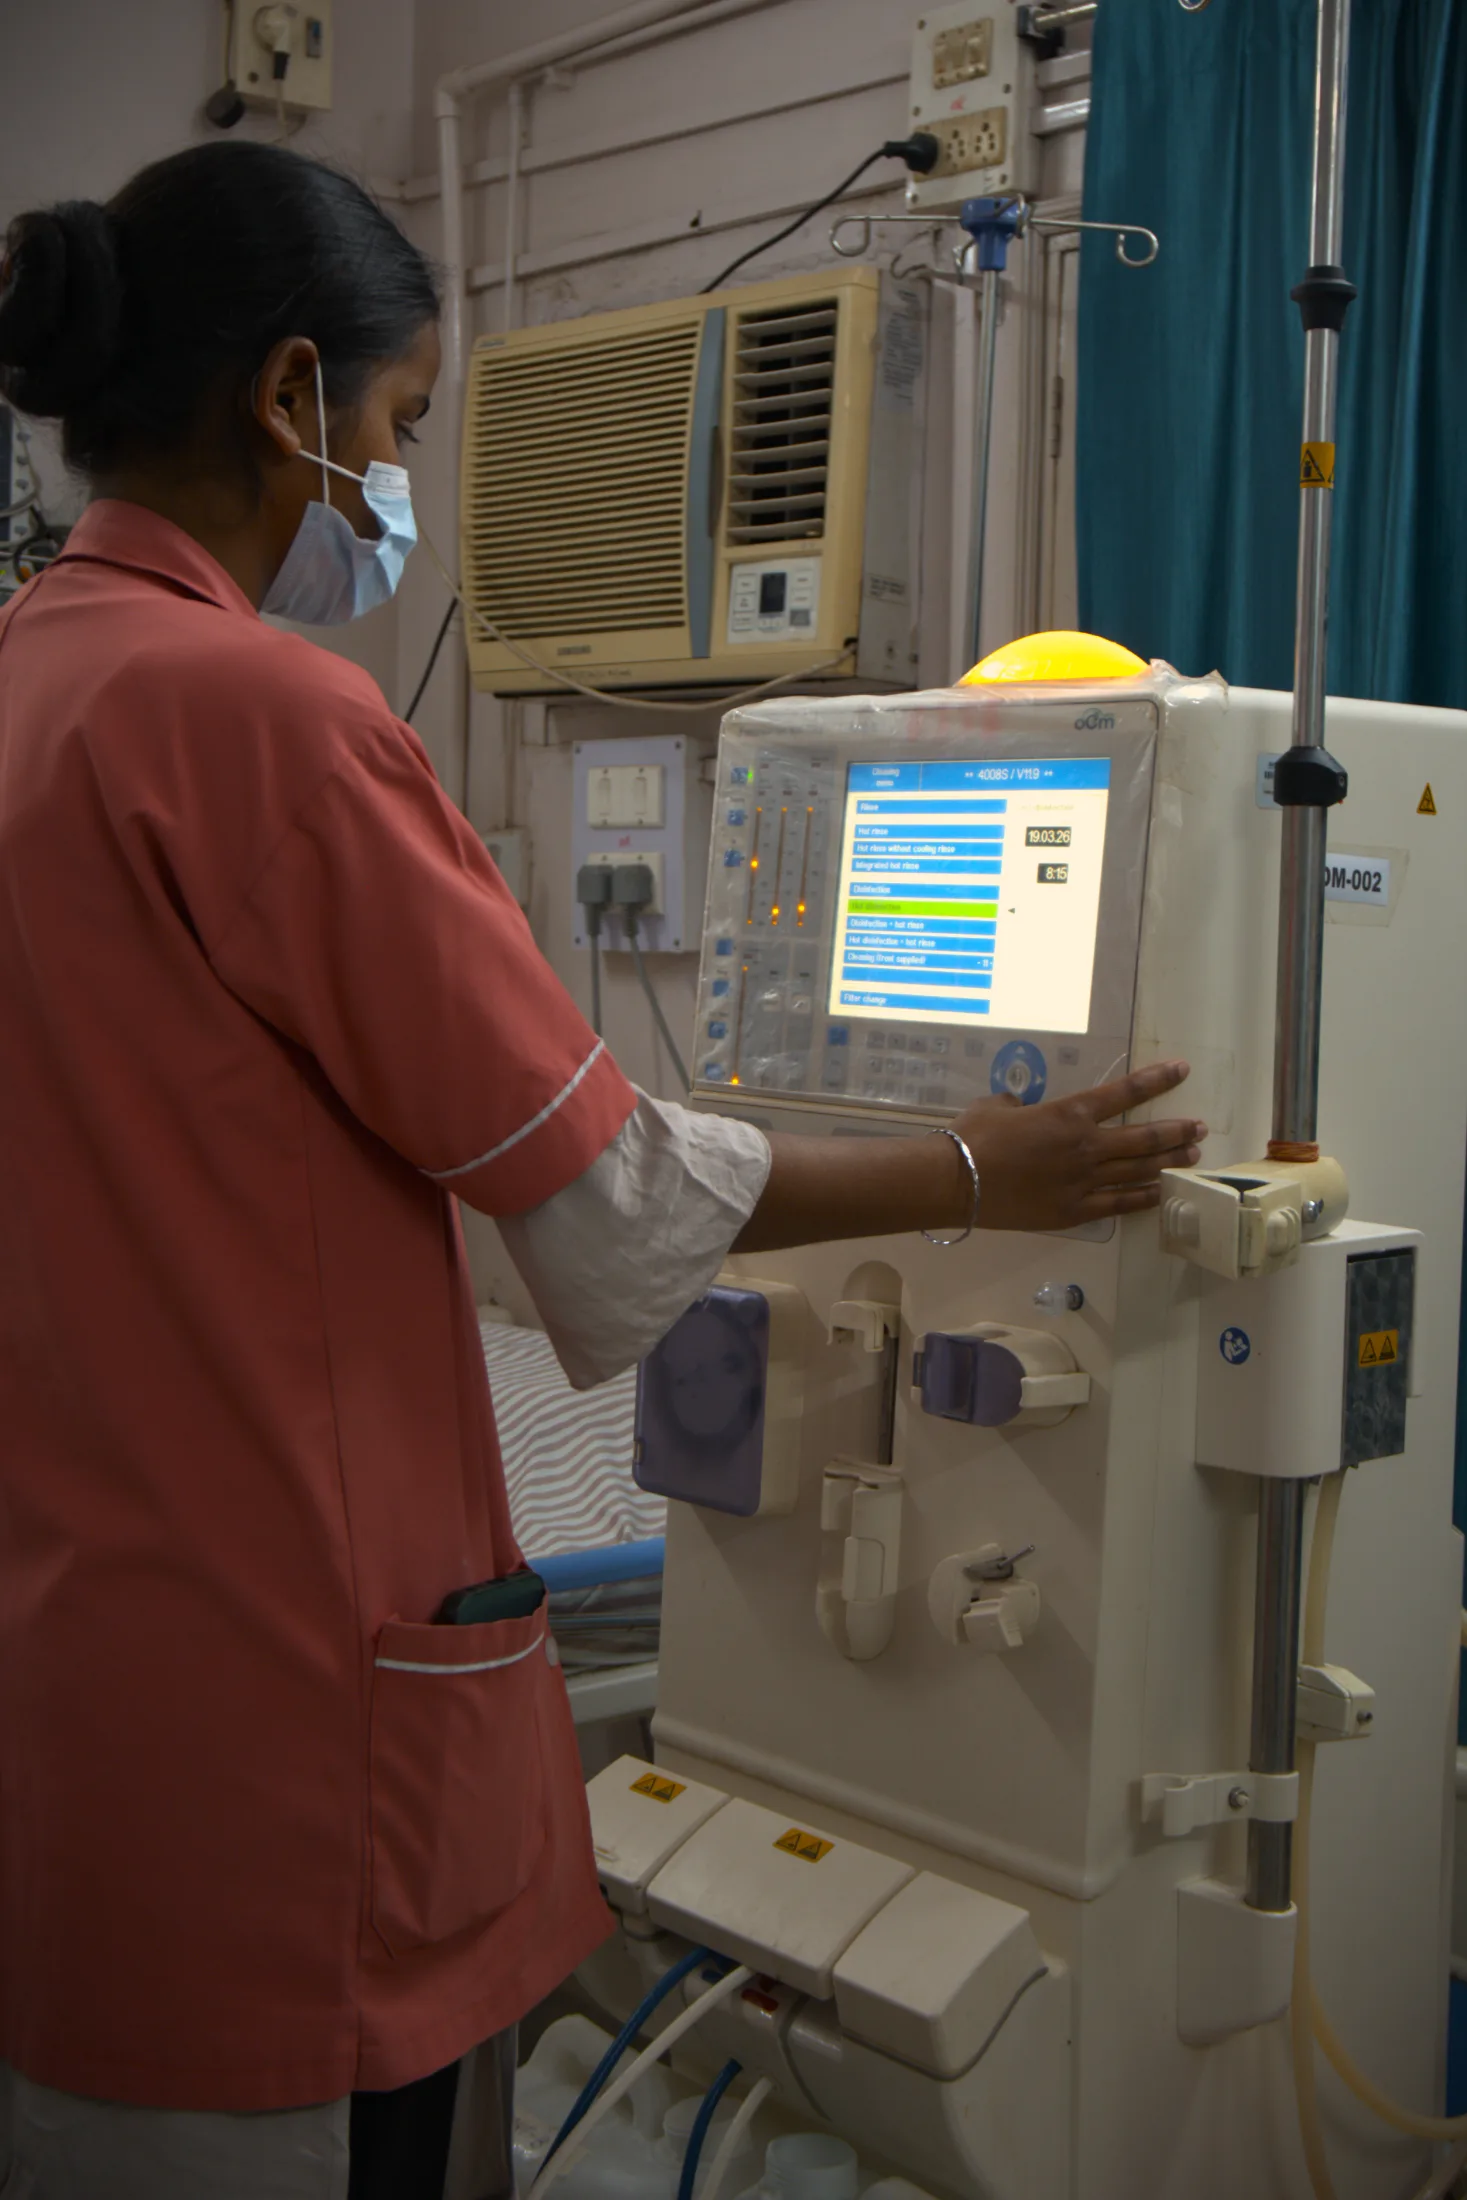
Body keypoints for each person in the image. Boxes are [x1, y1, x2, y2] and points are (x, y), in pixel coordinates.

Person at [0, 142, 1204, 2200]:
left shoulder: (34, 680)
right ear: (290, 399)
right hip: (270, 1731)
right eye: (400, 425)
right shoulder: (264, 722)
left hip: (71, 1677)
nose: (398, 483)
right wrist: (978, 1165)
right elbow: (608, 1185)